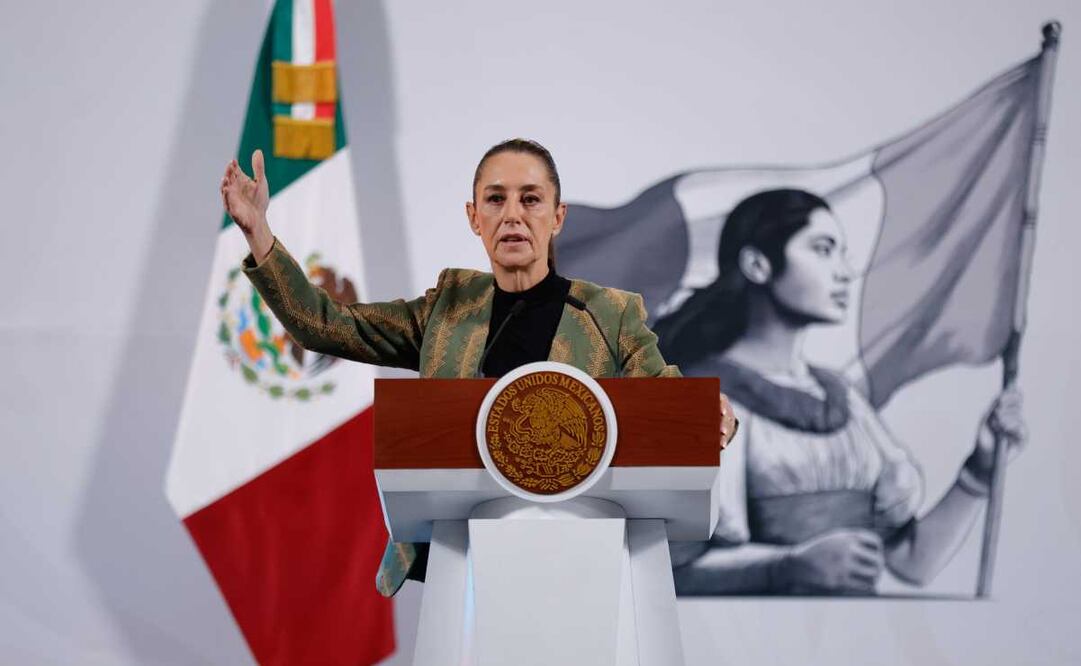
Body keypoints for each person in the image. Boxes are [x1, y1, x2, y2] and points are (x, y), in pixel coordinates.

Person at [219, 138, 738, 597]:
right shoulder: (448, 307)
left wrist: (715, 418)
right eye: (496, 199)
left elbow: (672, 404)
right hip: (461, 558)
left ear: (557, 217)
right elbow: (322, 325)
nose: (513, 215)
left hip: (578, 559)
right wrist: (258, 231)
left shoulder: (607, 313)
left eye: (531, 199)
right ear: (474, 217)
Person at [653, 188, 1026, 595]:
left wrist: (980, 469)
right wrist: (787, 566)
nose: (846, 271)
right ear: (758, 264)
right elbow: (671, 572)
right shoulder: (695, 396)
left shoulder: (842, 397)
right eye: (823, 249)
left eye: (842, 252)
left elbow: (911, 562)